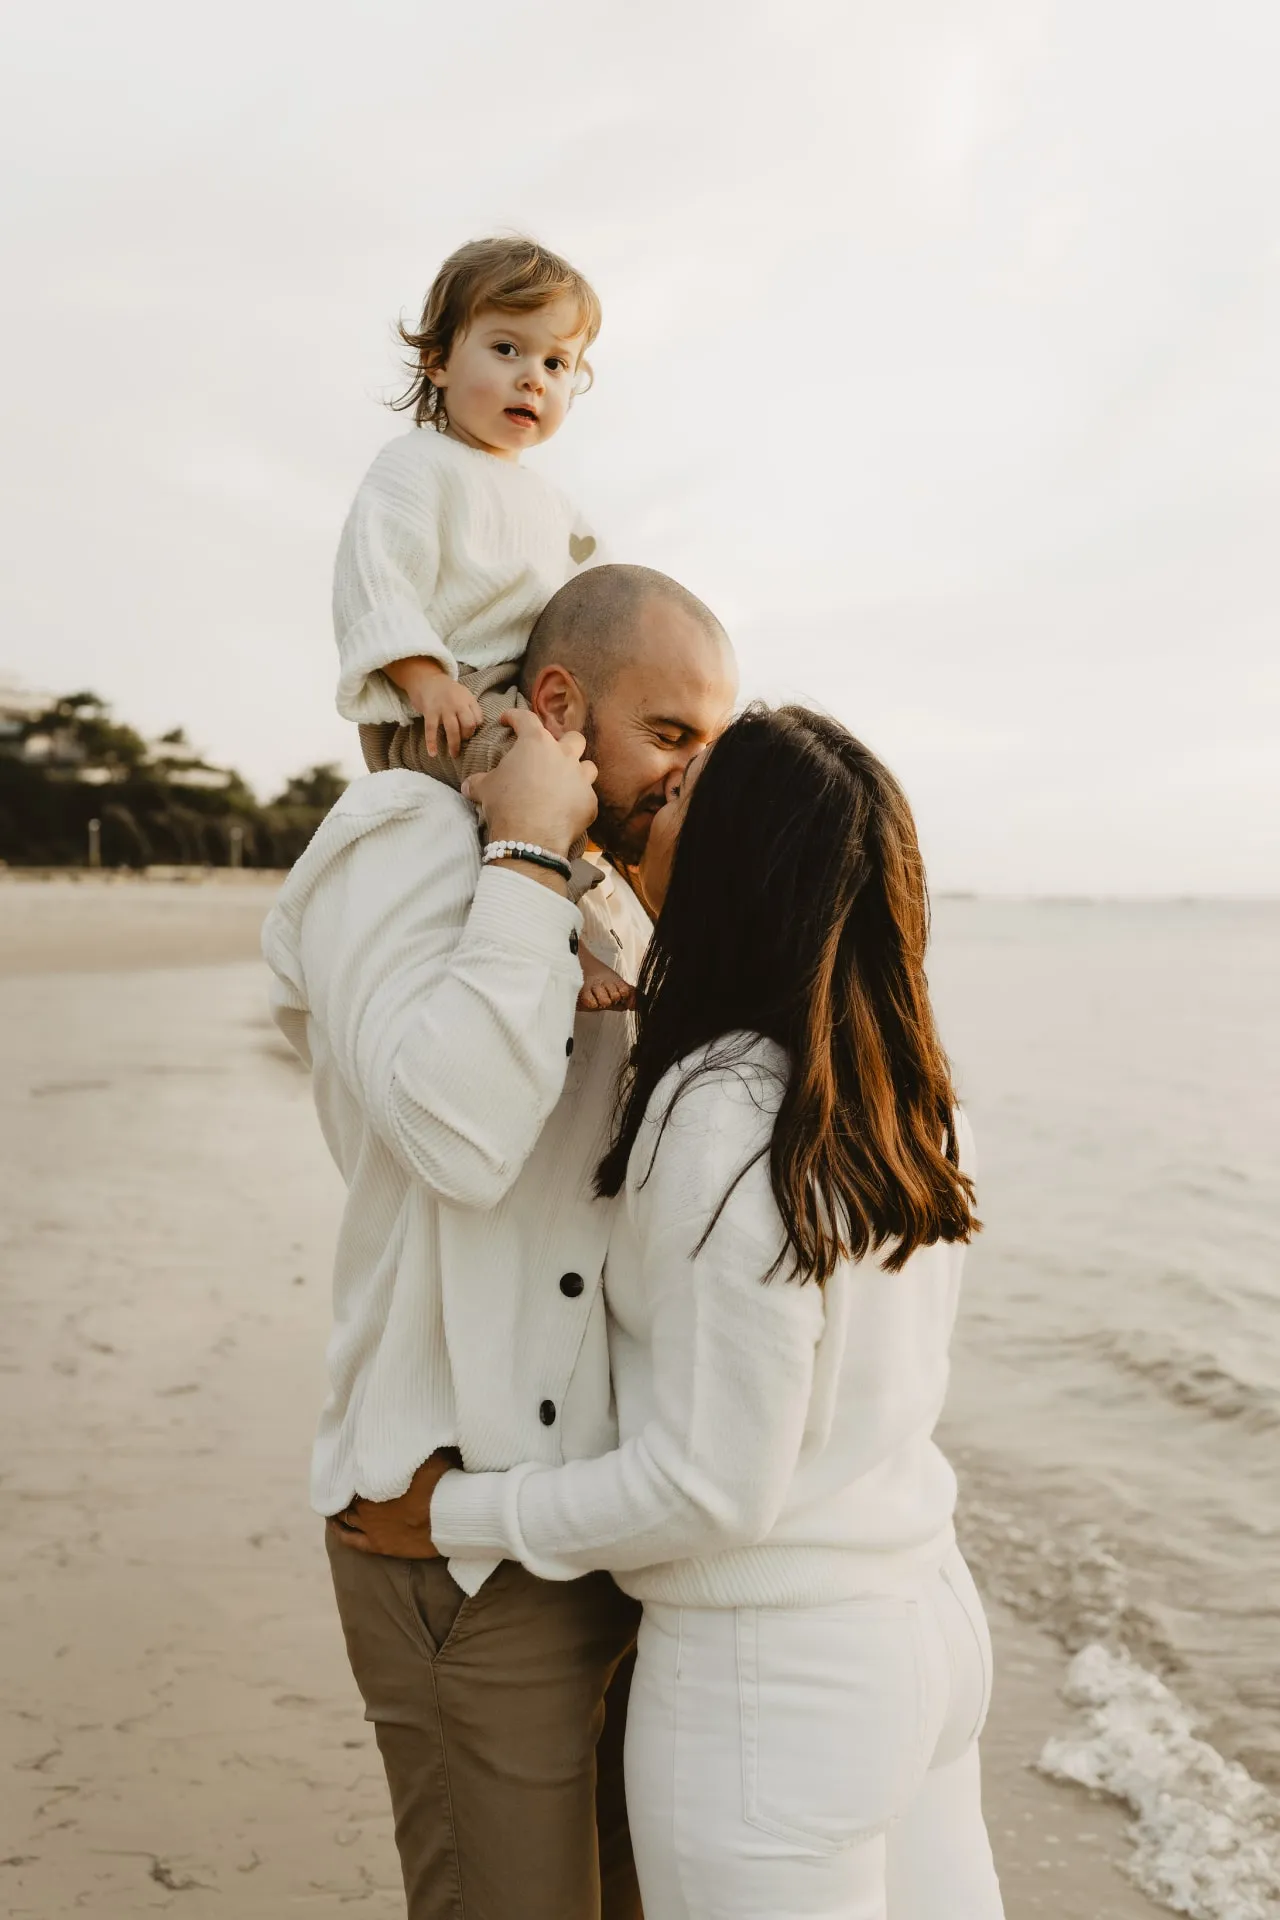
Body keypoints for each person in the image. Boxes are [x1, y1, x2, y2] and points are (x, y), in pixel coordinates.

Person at [343, 705, 1006, 1919]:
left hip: (779, 1681)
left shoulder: (722, 1110)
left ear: (735, 860)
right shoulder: (899, 1084)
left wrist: (456, 1514)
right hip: (927, 1629)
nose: (639, 795)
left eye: (684, 789)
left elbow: (708, 1489)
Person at [263, 564, 738, 1920]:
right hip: (455, 1548)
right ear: (556, 703)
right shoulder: (399, 842)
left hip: (613, 1536)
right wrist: (525, 854)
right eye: (674, 736)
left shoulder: (616, 893)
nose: (697, 776)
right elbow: (457, 1135)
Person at [333, 232, 630, 1009]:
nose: (532, 378)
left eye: (556, 364)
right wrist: (425, 679)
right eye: (506, 348)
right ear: (438, 361)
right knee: (527, 773)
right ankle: (562, 939)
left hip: (527, 693)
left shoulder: (555, 504)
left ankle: (633, 915)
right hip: (443, 701)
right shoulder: (415, 466)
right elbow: (377, 578)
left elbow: (590, 606)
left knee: (615, 768)